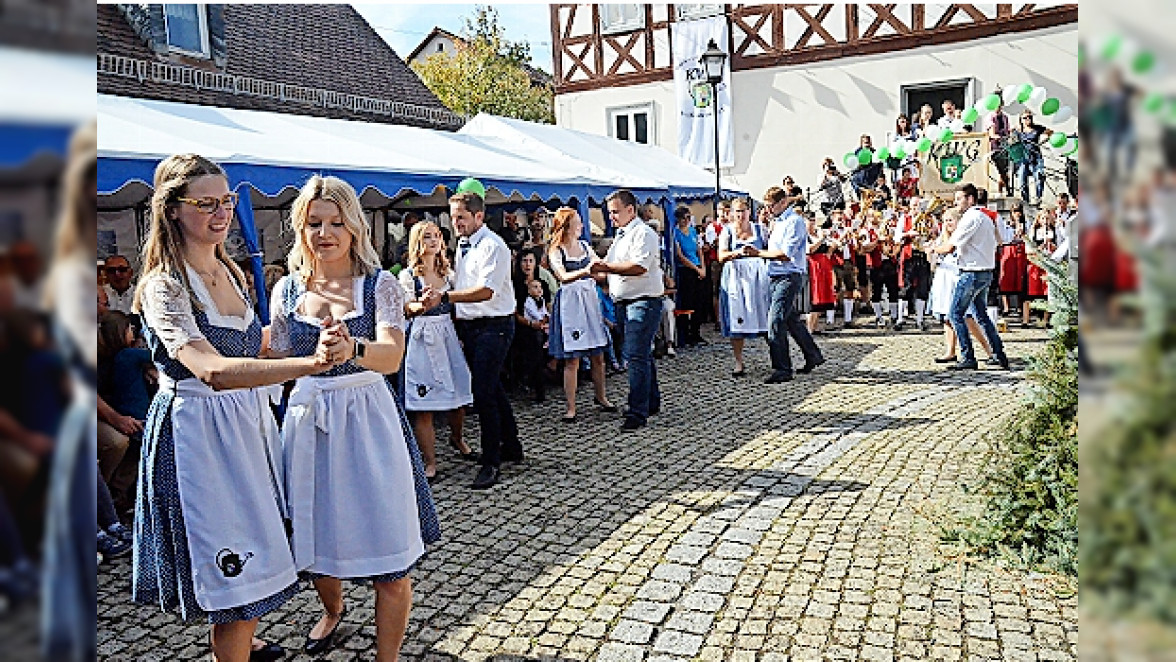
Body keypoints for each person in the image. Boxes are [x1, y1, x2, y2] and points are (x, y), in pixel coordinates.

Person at [131, 154, 332, 661]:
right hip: (198, 432)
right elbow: (213, 370)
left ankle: (243, 642)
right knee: (232, 578)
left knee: (255, 556)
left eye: (227, 201)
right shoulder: (164, 285)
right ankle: (237, 641)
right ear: (173, 210)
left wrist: (314, 326)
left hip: (244, 425)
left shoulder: (228, 269)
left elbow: (253, 348)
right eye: (206, 203)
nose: (221, 213)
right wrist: (308, 365)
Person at [268, 175, 437, 660]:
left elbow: (391, 358)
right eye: (314, 222)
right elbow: (278, 355)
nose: (325, 233)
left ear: (354, 227)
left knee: (392, 554)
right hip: (306, 423)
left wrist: (353, 347)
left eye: (336, 222)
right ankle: (333, 609)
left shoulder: (379, 283)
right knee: (316, 535)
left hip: (368, 422)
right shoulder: (285, 290)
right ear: (301, 229)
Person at [449, 190, 523, 489]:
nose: (456, 224)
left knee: (483, 392)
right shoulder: (462, 244)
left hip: (495, 324)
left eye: (461, 218)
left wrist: (444, 298)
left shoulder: (494, 246)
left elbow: (485, 291)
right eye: (454, 218)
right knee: (490, 387)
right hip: (472, 326)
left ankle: (491, 461)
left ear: (479, 216)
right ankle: (512, 444)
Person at [399, 221, 475, 480]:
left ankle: (457, 438)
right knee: (424, 404)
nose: (432, 241)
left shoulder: (449, 274)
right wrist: (420, 305)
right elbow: (405, 308)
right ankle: (429, 461)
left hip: (447, 335)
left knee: (458, 393)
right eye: (426, 237)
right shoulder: (409, 276)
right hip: (422, 336)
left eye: (436, 236)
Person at [591, 190, 664, 432]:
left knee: (635, 355)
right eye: (609, 212)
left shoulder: (643, 233)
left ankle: (637, 412)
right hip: (623, 301)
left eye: (615, 211)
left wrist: (607, 267)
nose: (611, 217)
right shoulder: (620, 236)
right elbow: (609, 268)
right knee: (641, 353)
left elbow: (638, 267)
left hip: (643, 300)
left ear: (630, 210)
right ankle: (650, 401)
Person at [546, 208, 615, 422]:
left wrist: (608, 270)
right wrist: (587, 271)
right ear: (566, 227)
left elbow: (600, 268)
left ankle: (601, 396)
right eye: (577, 222)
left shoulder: (585, 247)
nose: (582, 226)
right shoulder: (556, 250)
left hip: (589, 300)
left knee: (598, 355)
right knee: (572, 360)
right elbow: (563, 276)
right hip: (570, 303)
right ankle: (570, 406)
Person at [933, 184, 1010, 370]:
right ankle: (999, 354)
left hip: (971, 272)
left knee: (955, 314)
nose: (956, 202)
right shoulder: (990, 216)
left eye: (959, 198)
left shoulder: (971, 217)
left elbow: (950, 246)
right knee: (981, 315)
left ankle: (968, 357)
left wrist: (931, 248)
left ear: (971, 199)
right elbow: (1005, 239)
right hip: (986, 271)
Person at [759, 186, 824, 383]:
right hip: (776, 275)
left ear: (783, 202)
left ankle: (782, 368)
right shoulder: (777, 222)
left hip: (789, 275)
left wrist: (758, 253)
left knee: (775, 320)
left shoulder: (794, 222)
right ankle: (812, 354)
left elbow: (786, 254)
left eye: (771, 206)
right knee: (790, 319)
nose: (768, 210)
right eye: (766, 206)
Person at [927, 209, 998, 364]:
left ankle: (989, 350)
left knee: (967, 317)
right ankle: (950, 351)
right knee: (947, 317)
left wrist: (937, 248)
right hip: (943, 277)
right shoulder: (941, 238)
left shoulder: (962, 235)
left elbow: (951, 251)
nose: (947, 224)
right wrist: (930, 251)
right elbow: (933, 262)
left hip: (957, 277)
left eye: (950, 220)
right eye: (945, 221)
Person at [716, 198, 769, 376]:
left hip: (757, 276)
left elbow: (769, 250)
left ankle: (776, 358)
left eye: (743, 210)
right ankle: (738, 361)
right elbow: (720, 256)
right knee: (737, 316)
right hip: (736, 277)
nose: (740, 215)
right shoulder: (727, 231)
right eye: (737, 211)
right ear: (732, 213)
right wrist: (737, 253)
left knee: (766, 316)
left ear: (749, 212)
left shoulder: (760, 229)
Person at [672, 206, 707, 347]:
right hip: (686, 270)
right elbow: (680, 255)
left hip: (698, 268)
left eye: (688, 217)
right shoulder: (675, 233)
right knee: (687, 302)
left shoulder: (693, 231)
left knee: (699, 302)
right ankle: (685, 334)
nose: (687, 221)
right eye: (684, 218)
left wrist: (702, 268)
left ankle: (696, 332)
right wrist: (696, 269)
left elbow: (699, 250)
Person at [1012, 110, 1054, 206]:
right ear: (1021, 120)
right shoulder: (1019, 130)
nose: (1028, 119)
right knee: (1022, 181)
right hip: (1023, 158)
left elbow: (1051, 132)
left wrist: (1042, 142)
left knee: (1039, 178)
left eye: (1029, 117)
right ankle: (1025, 201)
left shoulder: (1037, 128)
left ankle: (1038, 199)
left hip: (1036, 157)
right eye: (1025, 118)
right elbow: (1011, 140)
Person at [985, 91, 1014, 197]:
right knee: (1002, 170)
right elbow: (992, 134)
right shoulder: (990, 117)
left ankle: (1003, 191)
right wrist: (1000, 137)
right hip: (995, 147)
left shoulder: (1005, 117)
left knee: (1005, 171)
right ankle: (1005, 190)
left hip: (1005, 147)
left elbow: (1008, 131)